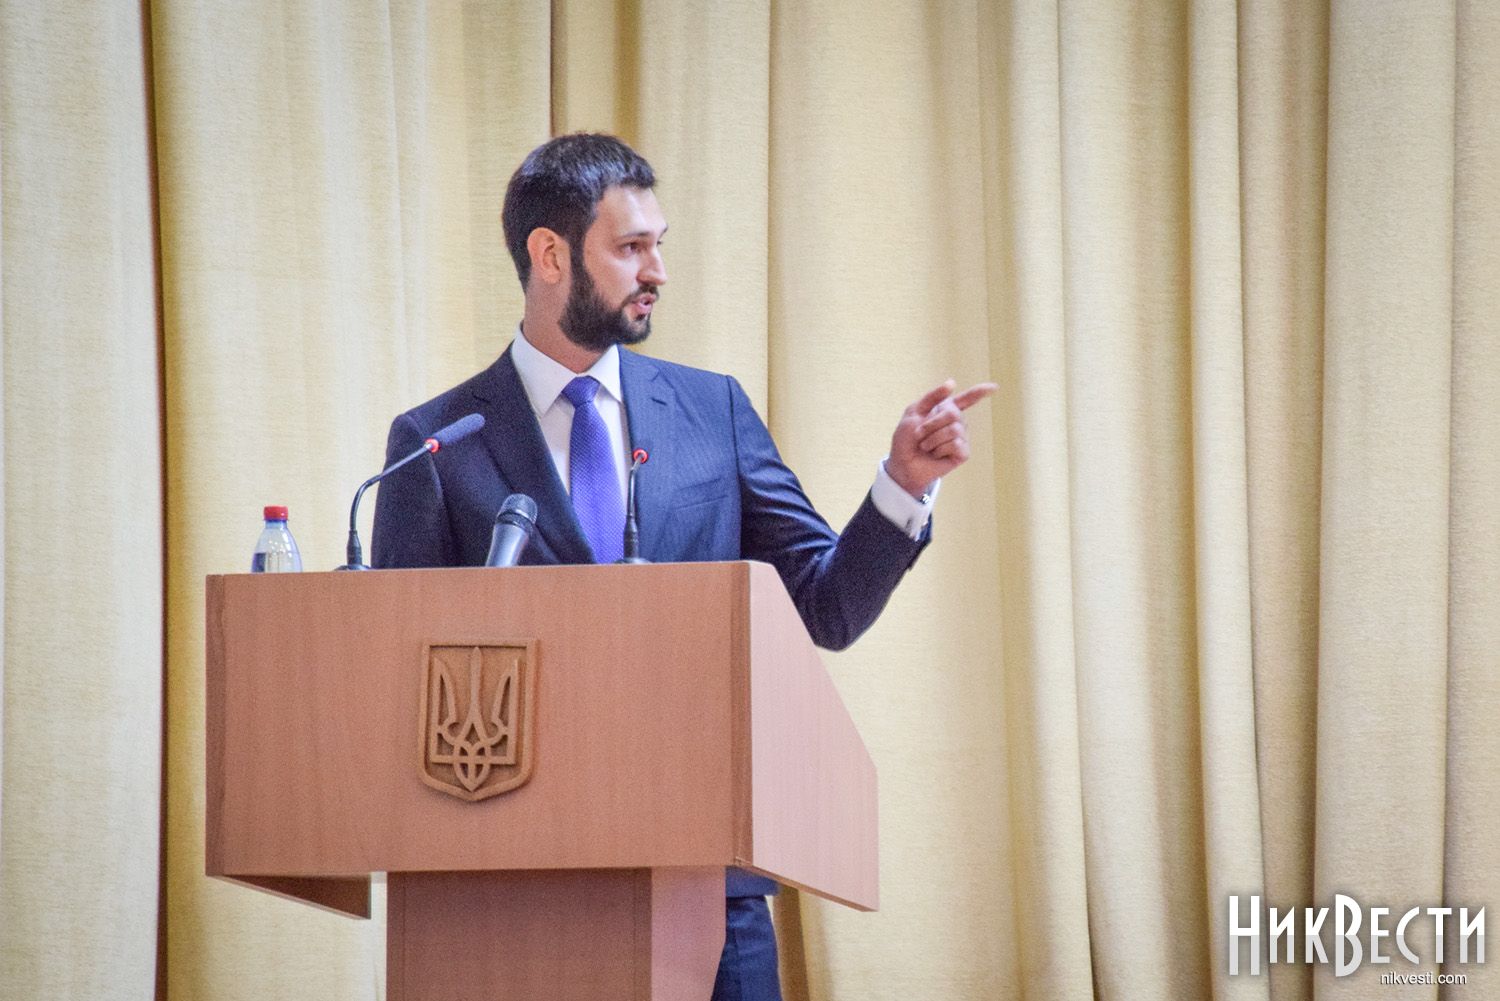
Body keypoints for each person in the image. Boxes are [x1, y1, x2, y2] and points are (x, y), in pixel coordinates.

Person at [371, 132, 994, 1001]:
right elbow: (402, 682)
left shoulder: (713, 412)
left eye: (659, 243)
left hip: (711, 883)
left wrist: (902, 485)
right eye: (631, 247)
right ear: (550, 255)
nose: (657, 270)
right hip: (510, 894)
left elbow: (826, 607)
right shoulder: (438, 444)